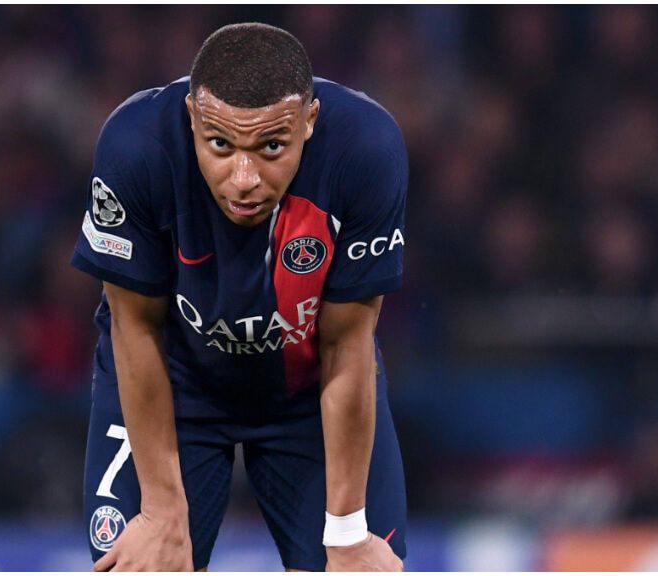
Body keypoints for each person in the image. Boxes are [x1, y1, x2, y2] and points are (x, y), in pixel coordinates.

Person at [70, 22, 408, 571]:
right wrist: (160, 512)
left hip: (306, 391)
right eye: (221, 145)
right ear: (192, 119)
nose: (244, 178)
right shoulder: (135, 148)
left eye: (271, 146)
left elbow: (347, 345)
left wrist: (346, 532)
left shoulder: (365, 151)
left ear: (310, 123)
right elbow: (135, 326)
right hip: (174, 385)